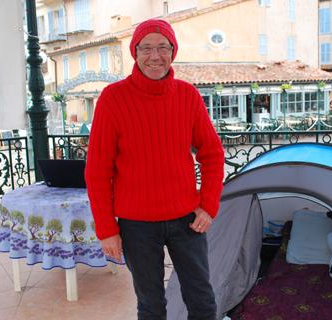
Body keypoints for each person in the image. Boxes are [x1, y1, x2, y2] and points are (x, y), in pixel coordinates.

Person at [85, 18, 225, 320]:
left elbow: (212, 154)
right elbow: (97, 171)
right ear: (135, 53)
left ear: (173, 51)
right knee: (151, 306)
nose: (155, 55)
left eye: (163, 47)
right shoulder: (112, 99)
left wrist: (208, 205)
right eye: (146, 48)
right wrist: (107, 229)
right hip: (136, 226)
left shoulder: (187, 96)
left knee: (202, 301)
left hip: (187, 221)